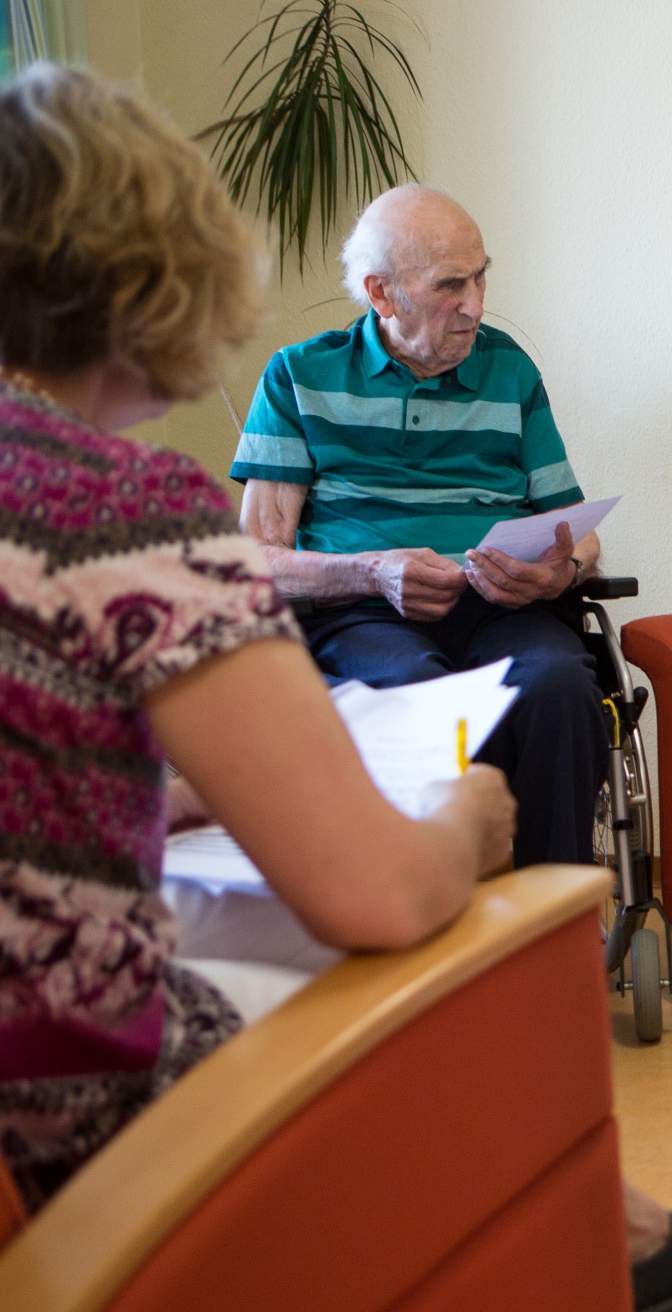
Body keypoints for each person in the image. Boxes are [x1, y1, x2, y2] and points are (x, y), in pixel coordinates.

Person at [0, 65, 672, 1312]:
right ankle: (577, 1280)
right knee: (413, 951)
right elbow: (378, 893)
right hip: (55, 1092)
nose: (471, 303)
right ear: (151, 274)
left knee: (537, 700)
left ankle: (599, 1208)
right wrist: (461, 816)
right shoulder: (121, 513)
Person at [230, 184, 608, 870]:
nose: (476, 303)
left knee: (559, 685)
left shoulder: (510, 371)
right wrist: (372, 571)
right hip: (360, 617)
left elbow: (573, 530)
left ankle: (559, 929)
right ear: (381, 293)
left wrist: (563, 569)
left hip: (500, 609)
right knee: (418, 695)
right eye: (451, 285)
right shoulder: (298, 378)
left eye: (481, 275)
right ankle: (445, 930)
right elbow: (257, 558)